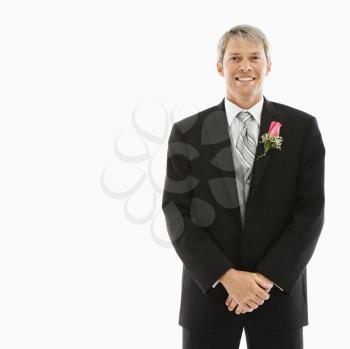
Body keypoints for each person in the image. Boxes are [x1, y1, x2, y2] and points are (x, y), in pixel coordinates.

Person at [162, 24, 325, 349]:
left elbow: (310, 212)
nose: (245, 66)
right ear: (220, 66)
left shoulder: (301, 128)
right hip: (209, 296)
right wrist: (226, 276)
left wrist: (265, 280)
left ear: (268, 65)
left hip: (277, 296)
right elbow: (176, 211)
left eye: (254, 57)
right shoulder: (188, 132)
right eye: (235, 57)